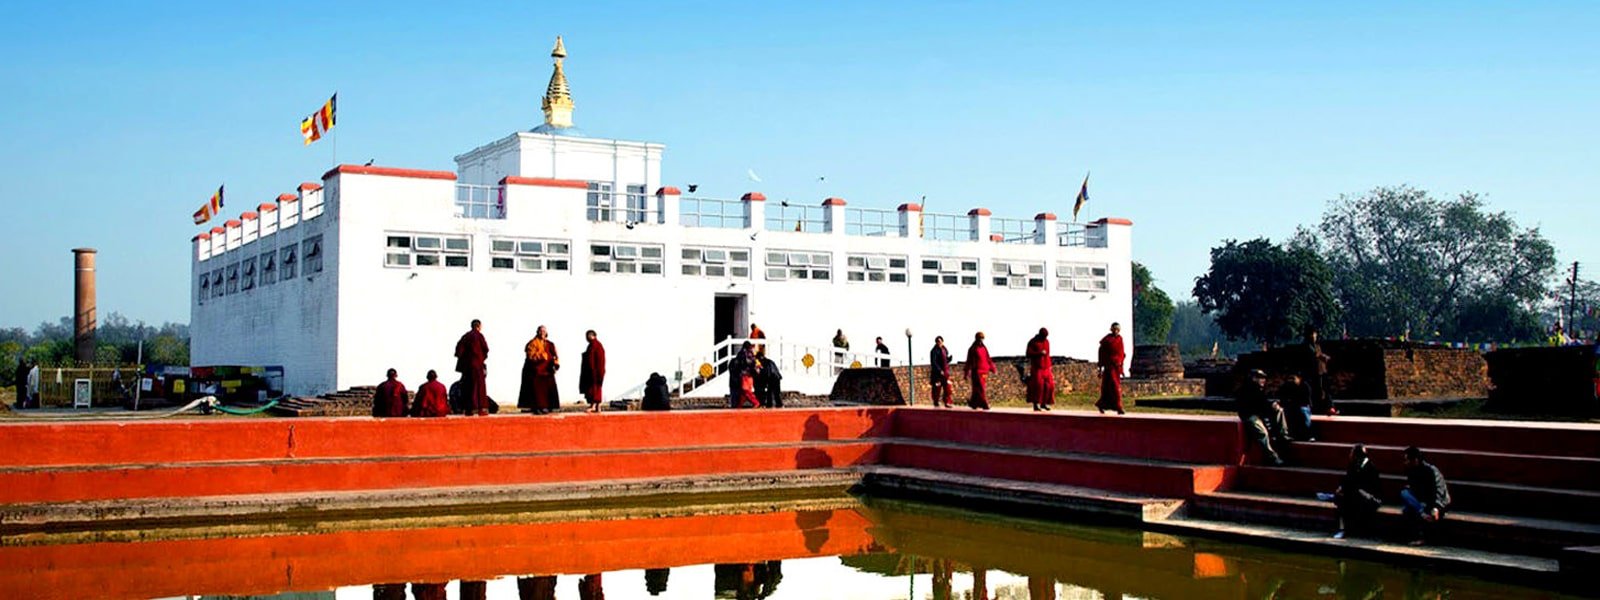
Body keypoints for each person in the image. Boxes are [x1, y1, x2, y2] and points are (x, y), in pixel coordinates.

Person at [1237, 369, 1291, 466]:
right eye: (1260, 378)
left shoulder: (1259, 389)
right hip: (1250, 415)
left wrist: (1272, 405)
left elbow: (1262, 403)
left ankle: (1283, 435)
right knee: (1263, 433)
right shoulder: (1246, 390)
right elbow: (1255, 405)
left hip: (1258, 413)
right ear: (1254, 378)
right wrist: (1269, 406)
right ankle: (1272, 457)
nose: (1263, 380)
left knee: (1279, 410)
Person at [1399, 446, 1451, 545]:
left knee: (1412, 509)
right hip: (1421, 502)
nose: (1405, 462)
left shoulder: (1431, 470)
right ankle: (1422, 513)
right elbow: (1414, 490)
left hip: (1435, 502)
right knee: (1404, 494)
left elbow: (1439, 490)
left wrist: (1436, 507)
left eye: (1406, 460)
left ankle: (1422, 535)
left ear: (1415, 460)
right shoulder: (1411, 471)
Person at [1329, 443, 1382, 539]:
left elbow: (1368, 487)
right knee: (1342, 498)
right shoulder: (1353, 465)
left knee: (1353, 494)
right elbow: (1347, 479)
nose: (1350, 455)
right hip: (1355, 495)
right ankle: (1342, 529)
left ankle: (1349, 529)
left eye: (1352, 453)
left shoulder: (1371, 468)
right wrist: (1341, 488)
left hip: (1370, 498)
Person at [518, 325, 559, 414]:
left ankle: (549, 407)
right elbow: (530, 356)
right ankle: (539, 407)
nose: (543, 333)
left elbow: (555, 355)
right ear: (537, 332)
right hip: (536, 370)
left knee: (549, 389)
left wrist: (556, 364)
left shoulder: (550, 344)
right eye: (541, 331)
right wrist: (541, 356)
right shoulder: (532, 343)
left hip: (548, 370)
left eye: (544, 331)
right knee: (538, 391)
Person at [453, 319, 490, 416]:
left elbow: (458, 351)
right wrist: (481, 359)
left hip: (467, 367)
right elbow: (486, 349)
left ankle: (469, 409)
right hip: (477, 366)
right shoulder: (479, 336)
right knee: (479, 387)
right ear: (479, 326)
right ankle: (481, 408)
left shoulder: (466, 336)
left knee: (468, 387)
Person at [1303, 328, 1336, 415]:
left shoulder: (1317, 346)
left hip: (1321, 371)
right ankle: (1322, 408)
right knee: (1318, 390)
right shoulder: (1307, 346)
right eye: (1312, 334)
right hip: (1314, 372)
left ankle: (1329, 407)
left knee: (1324, 389)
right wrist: (1323, 356)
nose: (1314, 336)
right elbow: (1315, 354)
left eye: (1315, 334)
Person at [1096, 323, 1126, 415]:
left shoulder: (1120, 339)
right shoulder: (1107, 340)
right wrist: (1100, 368)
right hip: (1109, 367)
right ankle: (1119, 407)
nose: (1116, 331)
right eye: (1114, 329)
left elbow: (1121, 354)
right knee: (1113, 386)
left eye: (1117, 329)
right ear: (1111, 329)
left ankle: (1102, 404)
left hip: (1116, 366)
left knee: (1111, 388)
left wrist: (1122, 368)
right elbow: (1101, 353)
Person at [1276, 374, 1315, 441]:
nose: (1291, 380)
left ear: (1299, 378)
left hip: (1303, 406)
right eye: (1290, 379)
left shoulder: (1305, 386)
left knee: (1303, 412)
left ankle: (1308, 435)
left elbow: (1306, 400)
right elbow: (1281, 397)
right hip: (1291, 406)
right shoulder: (1286, 385)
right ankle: (1289, 434)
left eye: (1293, 378)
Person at [964, 332, 995, 410]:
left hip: (984, 370)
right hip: (977, 371)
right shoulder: (972, 349)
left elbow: (988, 358)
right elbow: (969, 361)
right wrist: (966, 373)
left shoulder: (984, 348)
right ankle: (984, 404)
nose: (981, 340)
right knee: (980, 388)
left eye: (982, 338)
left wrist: (992, 368)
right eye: (979, 338)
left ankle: (974, 403)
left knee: (978, 388)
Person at [1026, 328, 1054, 412]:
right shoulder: (1033, 342)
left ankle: (1044, 403)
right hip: (1037, 368)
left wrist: (1049, 365)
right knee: (1038, 386)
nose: (1045, 338)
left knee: (1049, 385)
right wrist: (1039, 353)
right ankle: (1036, 403)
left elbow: (1048, 354)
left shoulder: (1047, 342)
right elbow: (1028, 353)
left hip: (1046, 367)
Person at [579, 330, 606, 413]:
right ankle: (597, 406)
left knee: (594, 388)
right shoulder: (592, 345)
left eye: (587, 336)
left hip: (594, 372)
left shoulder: (596, 345)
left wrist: (595, 371)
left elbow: (598, 360)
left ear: (592, 335)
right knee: (596, 388)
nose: (586, 338)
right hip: (593, 371)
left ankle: (593, 406)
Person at [729, 341, 761, 408]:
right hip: (750, 374)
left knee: (745, 390)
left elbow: (744, 363)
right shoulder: (751, 354)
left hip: (745, 374)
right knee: (744, 392)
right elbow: (753, 362)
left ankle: (756, 402)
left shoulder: (743, 354)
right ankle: (739, 405)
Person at [928, 336, 954, 408]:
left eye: (940, 341)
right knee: (937, 388)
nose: (939, 343)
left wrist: (949, 359)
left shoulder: (944, 350)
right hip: (937, 374)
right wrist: (939, 370)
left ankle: (947, 402)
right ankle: (936, 402)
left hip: (945, 372)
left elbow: (945, 361)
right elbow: (934, 362)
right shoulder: (934, 351)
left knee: (947, 388)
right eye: (937, 341)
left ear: (942, 342)